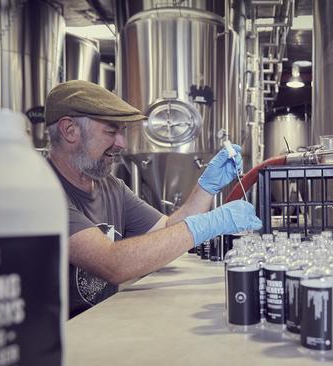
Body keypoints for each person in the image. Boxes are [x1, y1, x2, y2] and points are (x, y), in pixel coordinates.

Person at [44, 80, 262, 317]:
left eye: (122, 132)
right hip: (61, 342)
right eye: (110, 131)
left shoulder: (111, 187)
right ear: (69, 130)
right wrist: (210, 223)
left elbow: (167, 229)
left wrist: (206, 189)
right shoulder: (42, 194)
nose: (122, 143)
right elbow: (110, 263)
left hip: (104, 323)